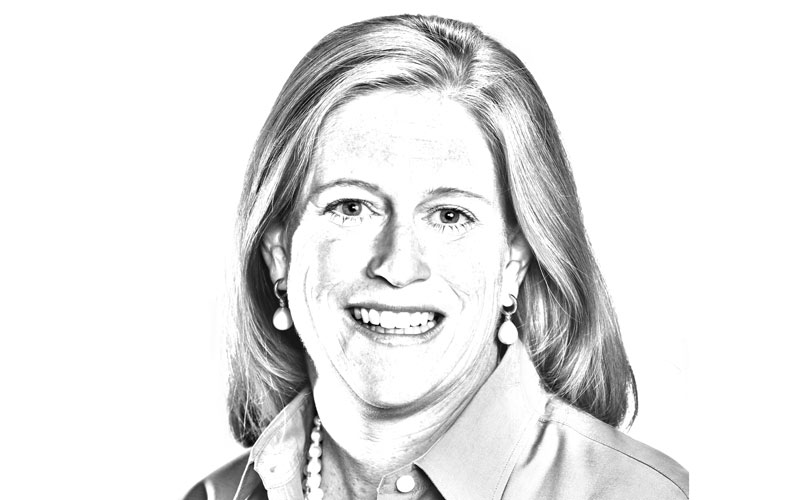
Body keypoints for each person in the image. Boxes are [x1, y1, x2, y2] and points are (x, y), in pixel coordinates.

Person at [185, 14, 689, 500]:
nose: (398, 266)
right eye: (352, 207)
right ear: (279, 251)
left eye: (450, 215)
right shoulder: (217, 495)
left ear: (514, 260)